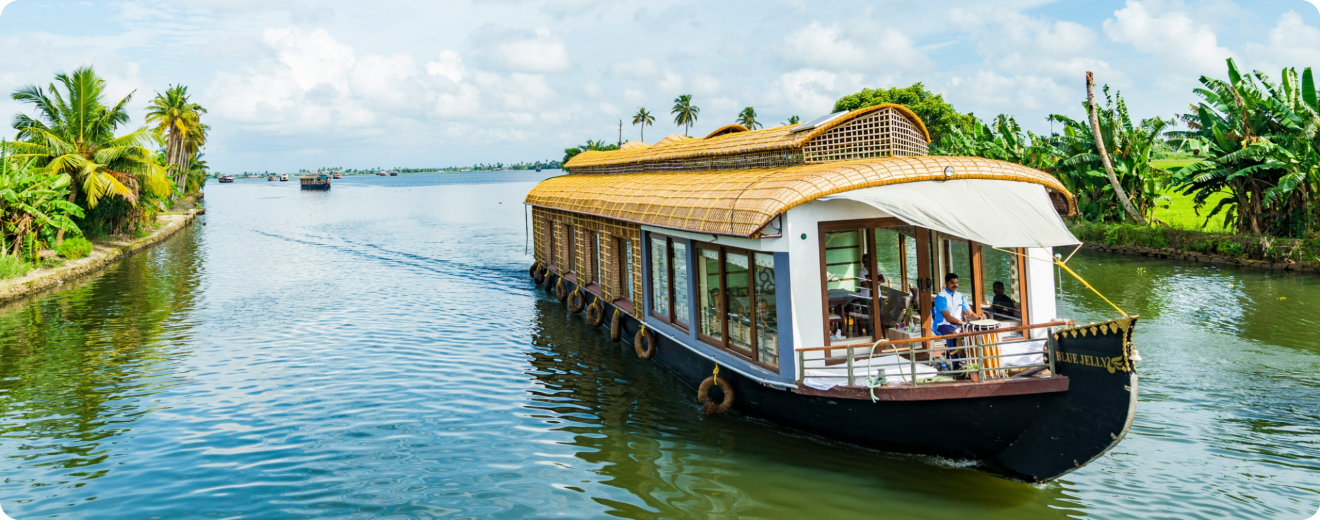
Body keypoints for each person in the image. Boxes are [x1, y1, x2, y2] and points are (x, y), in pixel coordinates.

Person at [932, 272, 984, 370]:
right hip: (943, 324)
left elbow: (970, 314)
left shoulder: (960, 296)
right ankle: (956, 365)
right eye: (952, 283)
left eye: (956, 282)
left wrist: (979, 318)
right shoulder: (941, 297)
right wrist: (964, 324)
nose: (955, 285)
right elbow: (948, 318)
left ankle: (971, 361)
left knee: (972, 333)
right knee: (952, 335)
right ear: (946, 283)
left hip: (958, 324)